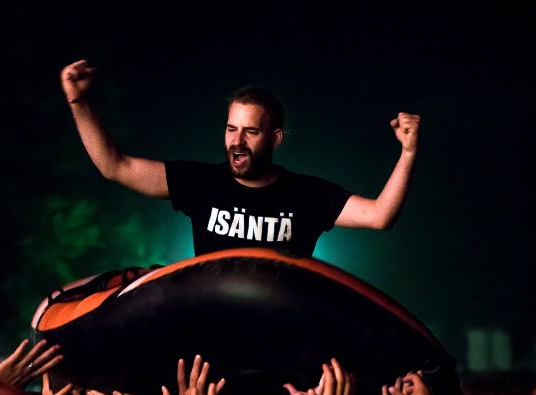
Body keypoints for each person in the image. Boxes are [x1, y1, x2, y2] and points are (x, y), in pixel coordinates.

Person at [62, 59, 421, 257]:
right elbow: (114, 166)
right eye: (231, 129)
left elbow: (380, 216)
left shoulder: (307, 195)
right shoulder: (200, 183)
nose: (237, 141)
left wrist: (408, 151)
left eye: (250, 131)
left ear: (275, 138)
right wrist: (79, 103)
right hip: (211, 337)